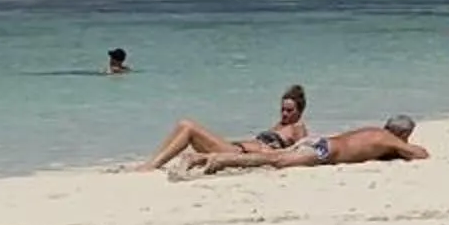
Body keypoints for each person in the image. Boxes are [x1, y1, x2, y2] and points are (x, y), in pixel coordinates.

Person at [132, 86, 312, 172]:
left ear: (300, 110)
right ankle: (153, 162)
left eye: (289, 110)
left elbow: (300, 150)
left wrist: (268, 151)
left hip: (240, 155)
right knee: (184, 126)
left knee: (187, 126)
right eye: (282, 109)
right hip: (236, 149)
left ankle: (151, 166)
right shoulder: (281, 125)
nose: (284, 113)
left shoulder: (298, 127)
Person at [180, 114, 429, 175]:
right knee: (275, 161)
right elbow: (420, 155)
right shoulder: (388, 138)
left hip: (321, 142)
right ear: (402, 133)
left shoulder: (374, 132)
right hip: (325, 151)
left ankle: (199, 157)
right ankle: (219, 159)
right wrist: (403, 147)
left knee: (277, 157)